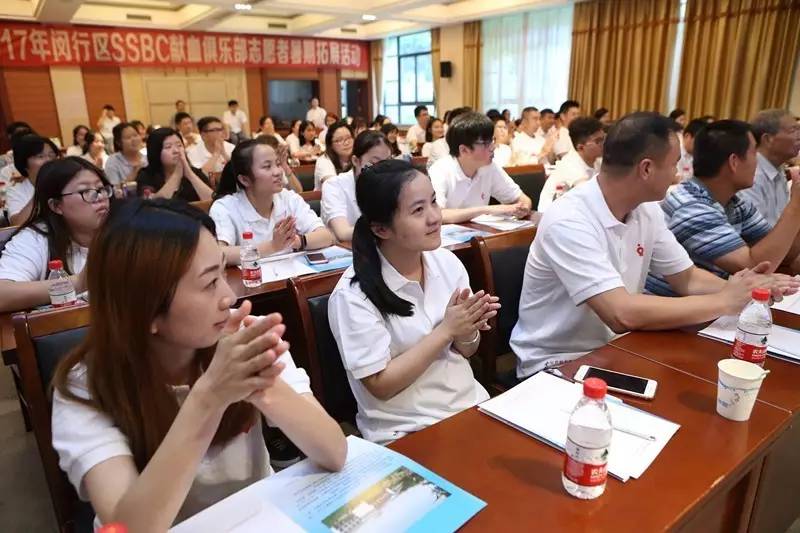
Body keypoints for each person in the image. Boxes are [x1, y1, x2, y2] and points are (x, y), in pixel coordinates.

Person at [50, 199, 346, 530]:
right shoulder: (86, 385)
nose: (228, 296)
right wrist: (209, 398)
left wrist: (262, 384)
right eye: (208, 283)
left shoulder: (240, 337)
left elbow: (334, 451)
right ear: (145, 310)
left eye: (222, 272)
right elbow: (128, 528)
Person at [509, 112, 798, 379]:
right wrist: (724, 301)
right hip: (557, 361)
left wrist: (743, 289)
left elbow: (687, 277)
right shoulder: (570, 219)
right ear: (646, 168)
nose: (677, 174)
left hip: (617, 347)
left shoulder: (645, 210)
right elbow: (620, 313)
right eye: (673, 164)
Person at [328, 159, 498, 444]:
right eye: (418, 210)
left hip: (469, 406)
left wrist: (467, 330)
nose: (434, 217)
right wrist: (447, 330)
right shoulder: (353, 295)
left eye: (433, 202)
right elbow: (380, 385)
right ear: (381, 229)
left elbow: (467, 351)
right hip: (408, 430)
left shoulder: (447, 263)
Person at [646, 120, 800, 297]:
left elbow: (784, 254)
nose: (757, 162)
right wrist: (795, 206)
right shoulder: (692, 208)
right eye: (754, 153)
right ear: (734, 162)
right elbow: (755, 265)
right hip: (673, 307)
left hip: (709, 300)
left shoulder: (735, 202)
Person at [0, 157, 110, 312]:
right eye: (85, 191)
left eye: (101, 189)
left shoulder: (122, 228)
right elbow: (2, 294)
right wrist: (79, 283)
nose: (100, 197)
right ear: (56, 206)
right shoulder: (35, 238)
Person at [210, 137, 333, 265]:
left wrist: (298, 241)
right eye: (267, 166)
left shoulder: (289, 198)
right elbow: (220, 254)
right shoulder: (225, 207)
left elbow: (326, 236)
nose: (278, 172)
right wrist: (273, 246)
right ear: (245, 180)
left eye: (278, 164)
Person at [428, 112, 532, 224]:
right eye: (485, 143)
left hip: (481, 232)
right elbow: (437, 214)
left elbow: (521, 198)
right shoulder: (440, 170)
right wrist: (486, 210)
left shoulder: (489, 167)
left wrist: (523, 208)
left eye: (492, 140)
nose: (493, 147)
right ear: (464, 150)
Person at [321, 130, 392, 242]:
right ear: (355, 161)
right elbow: (343, 233)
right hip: (346, 249)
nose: (382, 170)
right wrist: (391, 228)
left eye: (387, 163)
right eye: (374, 163)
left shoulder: (391, 182)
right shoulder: (334, 185)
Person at [740, 109, 800, 226]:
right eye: (793, 131)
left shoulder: (778, 168)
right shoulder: (751, 175)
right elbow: (756, 232)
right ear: (768, 139)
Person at [538, 117, 605, 213]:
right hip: (555, 215)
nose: (604, 144)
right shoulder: (571, 166)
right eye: (598, 141)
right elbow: (591, 199)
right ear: (581, 147)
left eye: (604, 139)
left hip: (578, 211)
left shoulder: (598, 161)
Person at [136, 128, 213, 202]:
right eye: (168, 147)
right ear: (156, 151)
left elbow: (213, 201)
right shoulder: (146, 175)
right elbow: (153, 204)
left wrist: (190, 174)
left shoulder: (195, 173)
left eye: (179, 145)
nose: (176, 151)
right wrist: (177, 175)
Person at [6, 134, 60, 226]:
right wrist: (41, 189)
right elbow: (17, 224)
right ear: (24, 163)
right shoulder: (16, 191)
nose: (48, 160)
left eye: (51, 155)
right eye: (40, 156)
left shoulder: (66, 182)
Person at [314, 120, 353, 190]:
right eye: (340, 140)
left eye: (349, 138)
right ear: (330, 145)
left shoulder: (358, 157)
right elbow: (333, 186)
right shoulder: (323, 161)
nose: (346, 143)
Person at [676, 118, 707, 182]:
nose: (701, 146)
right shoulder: (674, 149)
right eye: (699, 142)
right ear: (687, 136)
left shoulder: (697, 154)